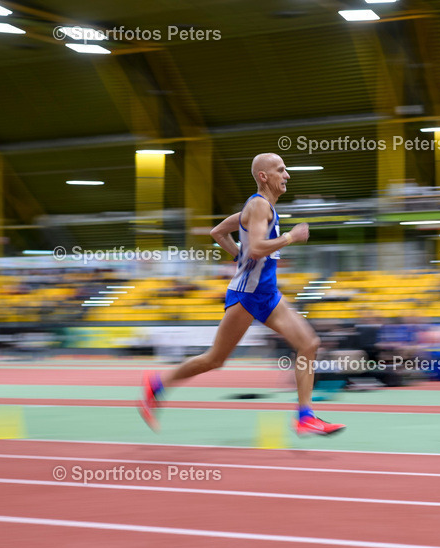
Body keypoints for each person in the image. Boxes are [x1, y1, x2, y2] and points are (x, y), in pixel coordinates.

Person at [139, 153, 344, 436]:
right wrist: (289, 238)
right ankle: (157, 383)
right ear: (264, 176)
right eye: (281, 170)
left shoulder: (262, 207)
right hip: (247, 295)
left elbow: (218, 231)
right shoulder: (260, 206)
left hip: (268, 293)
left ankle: (305, 416)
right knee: (215, 359)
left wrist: (240, 255)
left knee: (309, 343)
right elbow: (258, 247)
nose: (287, 176)